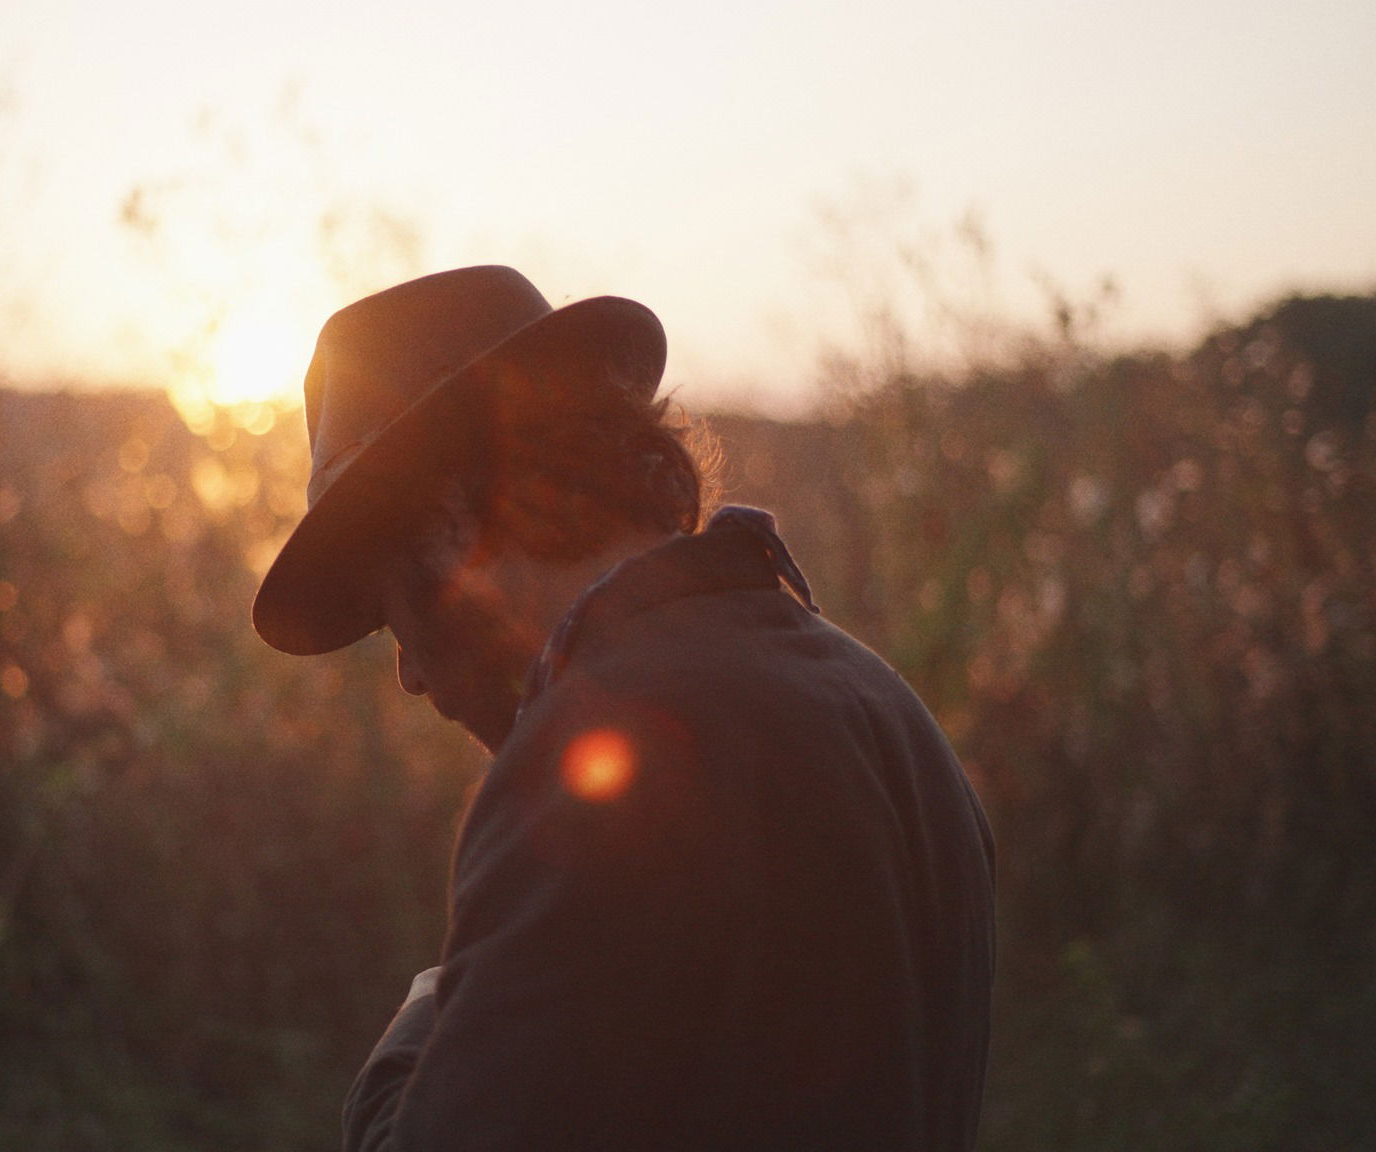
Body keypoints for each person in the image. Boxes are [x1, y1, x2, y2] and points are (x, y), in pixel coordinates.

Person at [252, 266, 996, 1151]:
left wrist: (432, 1009)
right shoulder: (889, 712)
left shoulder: (579, 778)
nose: (409, 673)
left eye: (392, 612)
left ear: (450, 522)